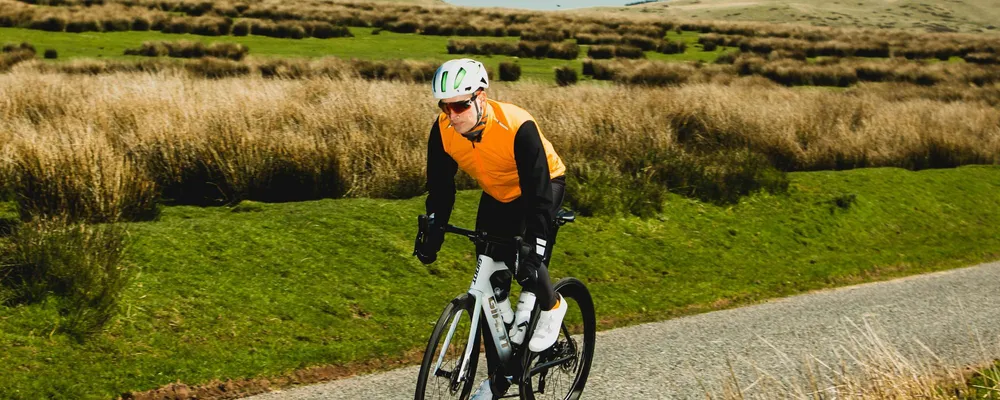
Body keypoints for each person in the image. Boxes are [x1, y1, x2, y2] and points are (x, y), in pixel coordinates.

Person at [414, 58, 568, 354]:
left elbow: (537, 196)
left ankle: (552, 306)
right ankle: (503, 365)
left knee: (526, 264)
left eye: (459, 106)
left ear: (480, 97)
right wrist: (434, 232)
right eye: (444, 106)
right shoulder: (444, 130)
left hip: (542, 184)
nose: (452, 115)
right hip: (498, 193)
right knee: (489, 276)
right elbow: (441, 188)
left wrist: (536, 244)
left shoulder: (516, 125)